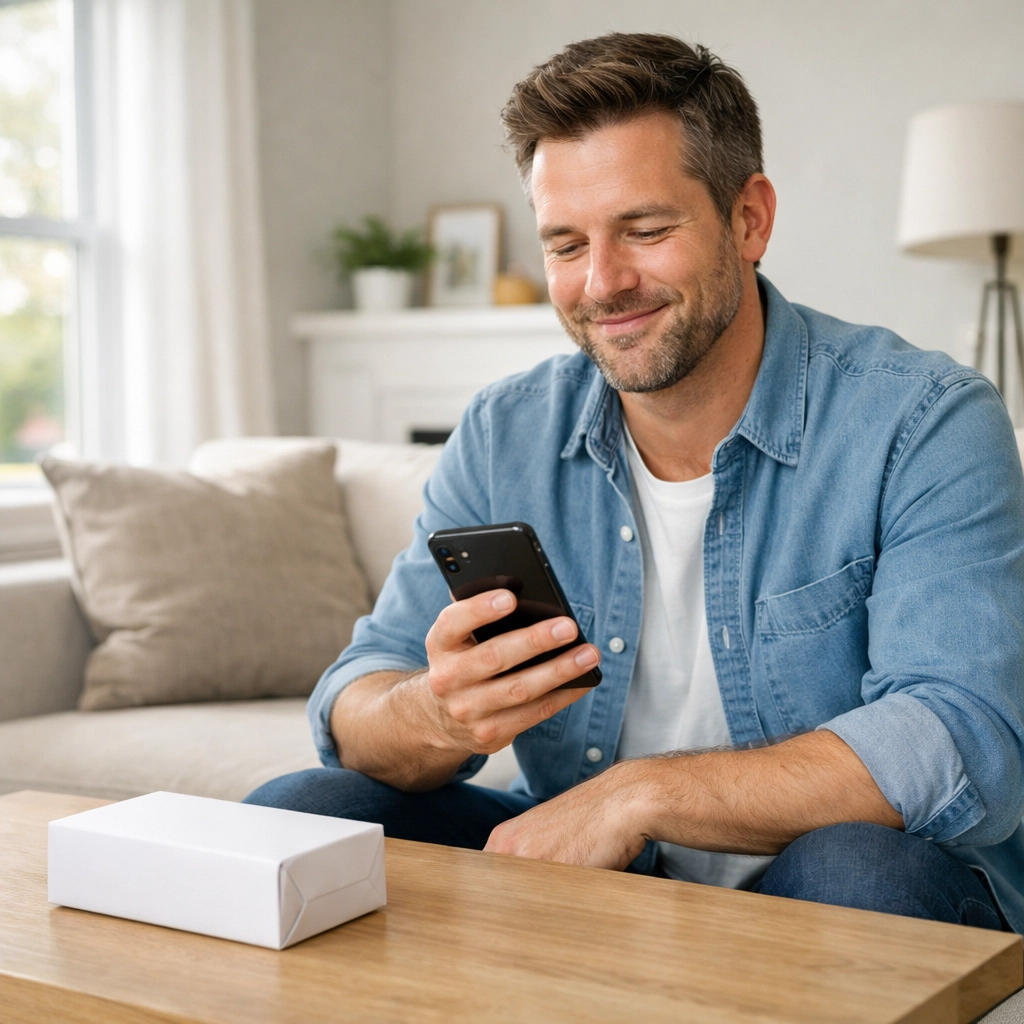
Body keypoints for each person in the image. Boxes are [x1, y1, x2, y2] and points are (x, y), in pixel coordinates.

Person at [246, 33, 1024, 932]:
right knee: (302, 811)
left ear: (750, 219)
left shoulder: (923, 420)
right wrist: (439, 712)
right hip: (591, 889)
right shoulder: (507, 432)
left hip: (823, 883)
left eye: (646, 231)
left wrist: (634, 797)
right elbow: (358, 695)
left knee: (863, 872)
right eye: (566, 244)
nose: (603, 283)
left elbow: (964, 736)